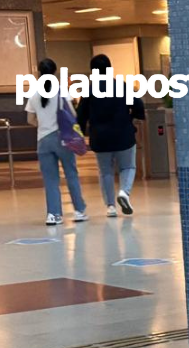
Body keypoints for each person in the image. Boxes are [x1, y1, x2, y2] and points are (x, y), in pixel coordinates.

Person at [76, 54, 146, 217]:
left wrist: (79, 134)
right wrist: (134, 118)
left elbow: (80, 115)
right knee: (128, 167)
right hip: (124, 135)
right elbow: (138, 105)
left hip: (100, 138)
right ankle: (124, 192)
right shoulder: (121, 86)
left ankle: (110, 207)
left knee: (105, 171)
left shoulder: (89, 90)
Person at [24, 58, 87, 226]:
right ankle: (79, 210)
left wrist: (43, 125)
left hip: (43, 141)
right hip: (62, 138)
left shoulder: (34, 93)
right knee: (71, 174)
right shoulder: (61, 90)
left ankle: (53, 214)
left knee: (50, 179)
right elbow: (72, 114)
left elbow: (30, 119)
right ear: (54, 72)